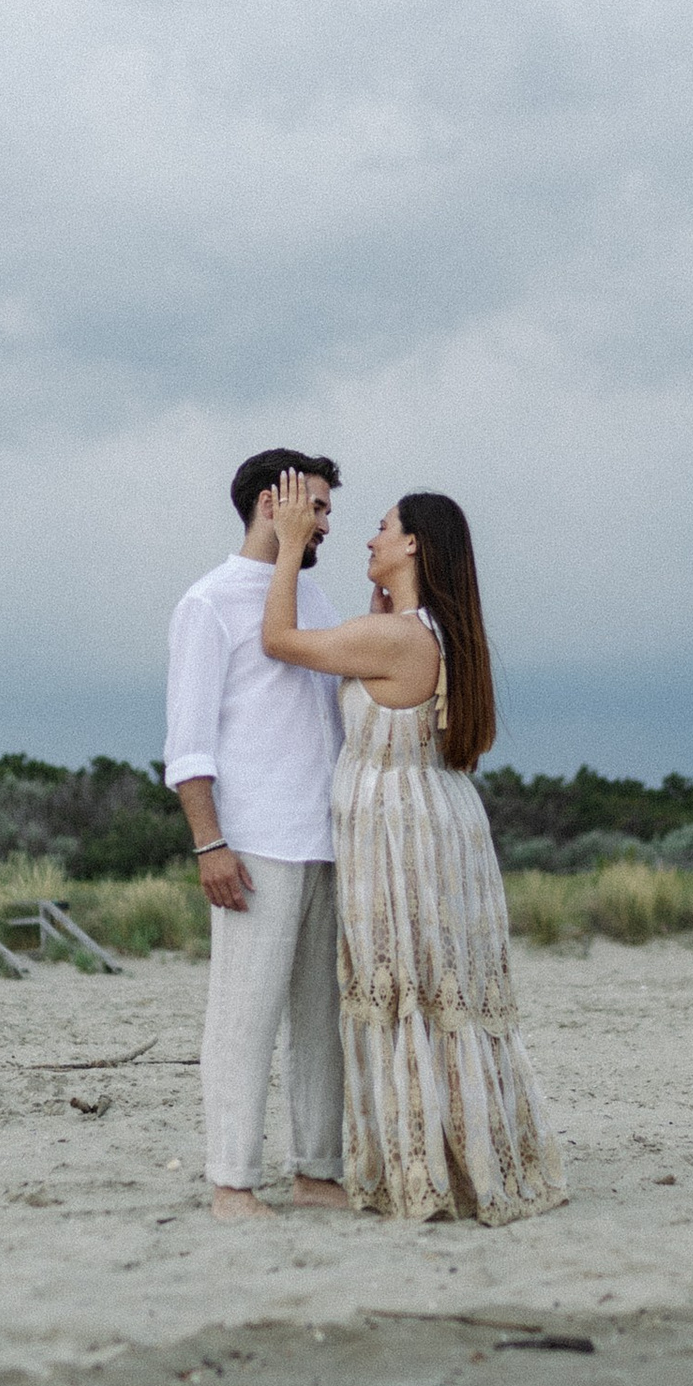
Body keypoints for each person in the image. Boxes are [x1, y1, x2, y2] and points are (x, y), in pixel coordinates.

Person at [260, 473, 563, 1225]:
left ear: (414, 544)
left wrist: (291, 548)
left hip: (398, 832)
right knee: (437, 992)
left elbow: (277, 640)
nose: (367, 537)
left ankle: (422, 1170)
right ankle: (468, 1155)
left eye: (382, 526)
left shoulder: (394, 637)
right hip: (439, 819)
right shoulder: (431, 633)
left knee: (407, 993)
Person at [164, 447, 348, 1222]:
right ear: (274, 503)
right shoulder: (208, 603)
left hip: (330, 839)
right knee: (243, 1017)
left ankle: (317, 1171)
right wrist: (210, 842)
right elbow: (189, 742)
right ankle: (231, 1182)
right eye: (318, 505)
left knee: (322, 1020)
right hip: (255, 842)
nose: (328, 521)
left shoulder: (321, 602)